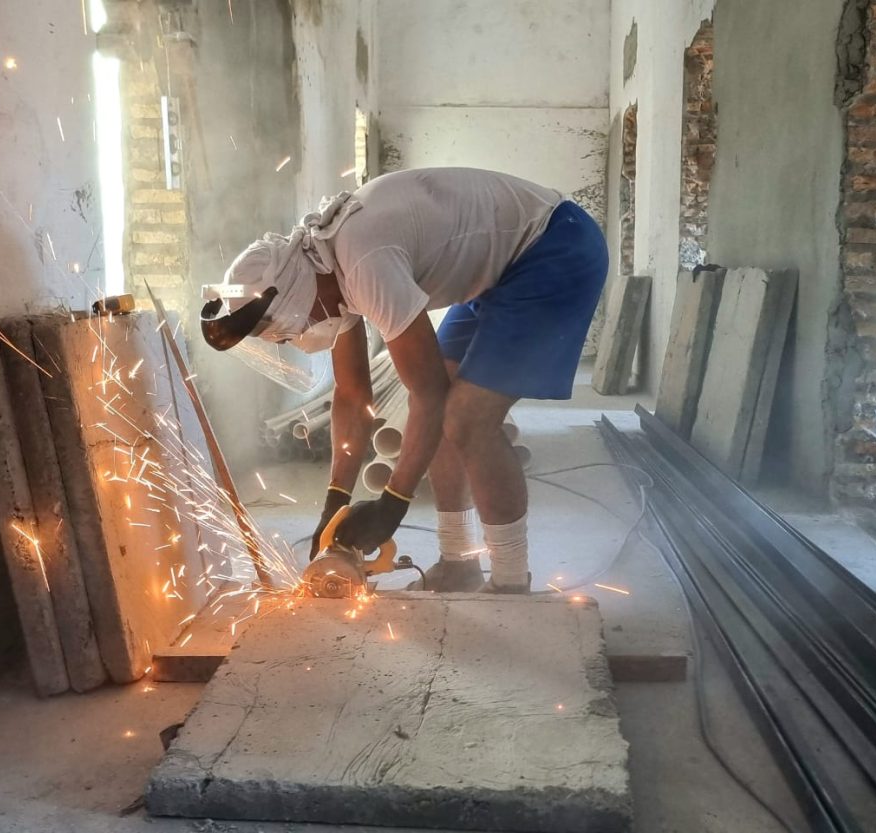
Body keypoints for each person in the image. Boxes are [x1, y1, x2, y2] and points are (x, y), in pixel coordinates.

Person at [201, 167, 608, 593]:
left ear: (297, 297)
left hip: (554, 245)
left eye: (296, 325)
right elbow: (353, 395)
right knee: (448, 412)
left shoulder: (362, 263)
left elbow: (428, 394)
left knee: (467, 419)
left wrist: (393, 503)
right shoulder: (324, 269)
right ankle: (458, 563)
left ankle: (510, 582)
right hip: (500, 268)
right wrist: (335, 499)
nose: (304, 333)